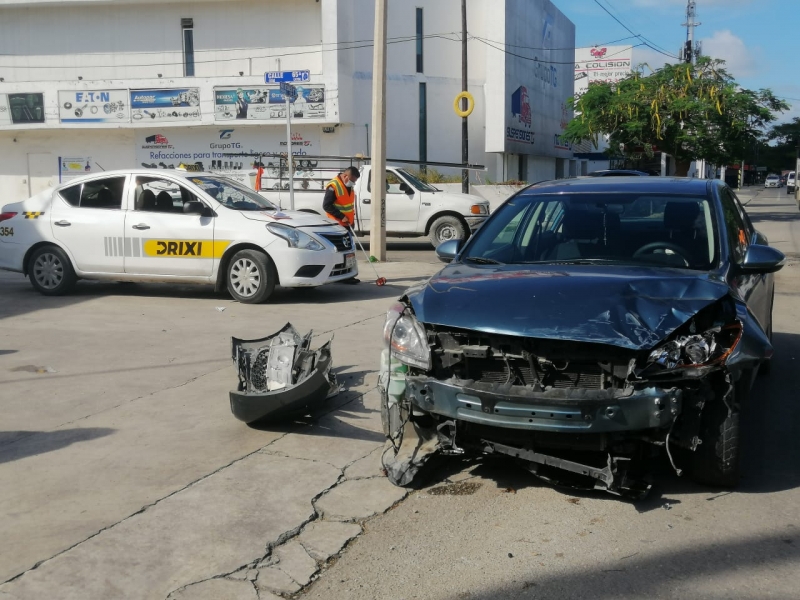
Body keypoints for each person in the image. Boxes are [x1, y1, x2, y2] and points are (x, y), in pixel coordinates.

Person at [323, 166, 360, 284]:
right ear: (345, 176)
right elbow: (327, 206)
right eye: (352, 180)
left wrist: (352, 221)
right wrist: (341, 216)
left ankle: (347, 275)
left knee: (349, 251)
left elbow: (349, 206)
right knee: (339, 252)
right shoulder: (333, 185)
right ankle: (339, 275)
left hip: (347, 224)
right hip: (337, 224)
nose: (353, 183)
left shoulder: (349, 186)